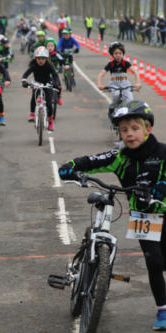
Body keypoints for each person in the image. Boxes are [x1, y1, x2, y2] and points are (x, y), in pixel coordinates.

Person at [58, 101, 166, 331]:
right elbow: (94, 160)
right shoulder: (121, 157)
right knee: (154, 262)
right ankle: (163, 310)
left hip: (164, 212)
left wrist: (161, 188)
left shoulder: (163, 153)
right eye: (124, 130)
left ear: (148, 129)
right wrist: (72, 166)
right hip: (143, 218)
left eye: (134, 128)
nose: (129, 134)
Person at [21, 46, 62, 131]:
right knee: (33, 98)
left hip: (47, 84)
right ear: (36, 59)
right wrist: (24, 81)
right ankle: (32, 113)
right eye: (39, 58)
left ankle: (50, 121)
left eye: (43, 58)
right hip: (37, 83)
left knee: (49, 104)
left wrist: (56, 83)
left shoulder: (49, 66)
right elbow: (26, 74)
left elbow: (55, 76)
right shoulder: (34, 66)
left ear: (46, 59)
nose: (41, 60)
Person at [97, 42, 141, 118]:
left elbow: (135, 72)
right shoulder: (111, 64)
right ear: (112, 54)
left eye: (120, 53)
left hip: (125, 84)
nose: (118, 55)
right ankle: (111, 109)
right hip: (114, 85)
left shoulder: (125, 63)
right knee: (116, 96)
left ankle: (129, 113)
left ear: (123, 54)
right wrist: (100, 84)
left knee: (130, 99)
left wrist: (138, 83)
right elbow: (101, 74)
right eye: (116, 53)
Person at [46, 37, 64, 105]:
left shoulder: (56, 54)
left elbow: (62, 60)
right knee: (40, 84)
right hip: (45, 73)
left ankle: (59, 97)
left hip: (54, 73)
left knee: (58, 86)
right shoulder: (44, 54)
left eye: (52, 46)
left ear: (54, 47)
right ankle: (40, 97)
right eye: (48, 46)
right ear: (45, 47)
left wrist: (62, 66)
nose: (50, 47)